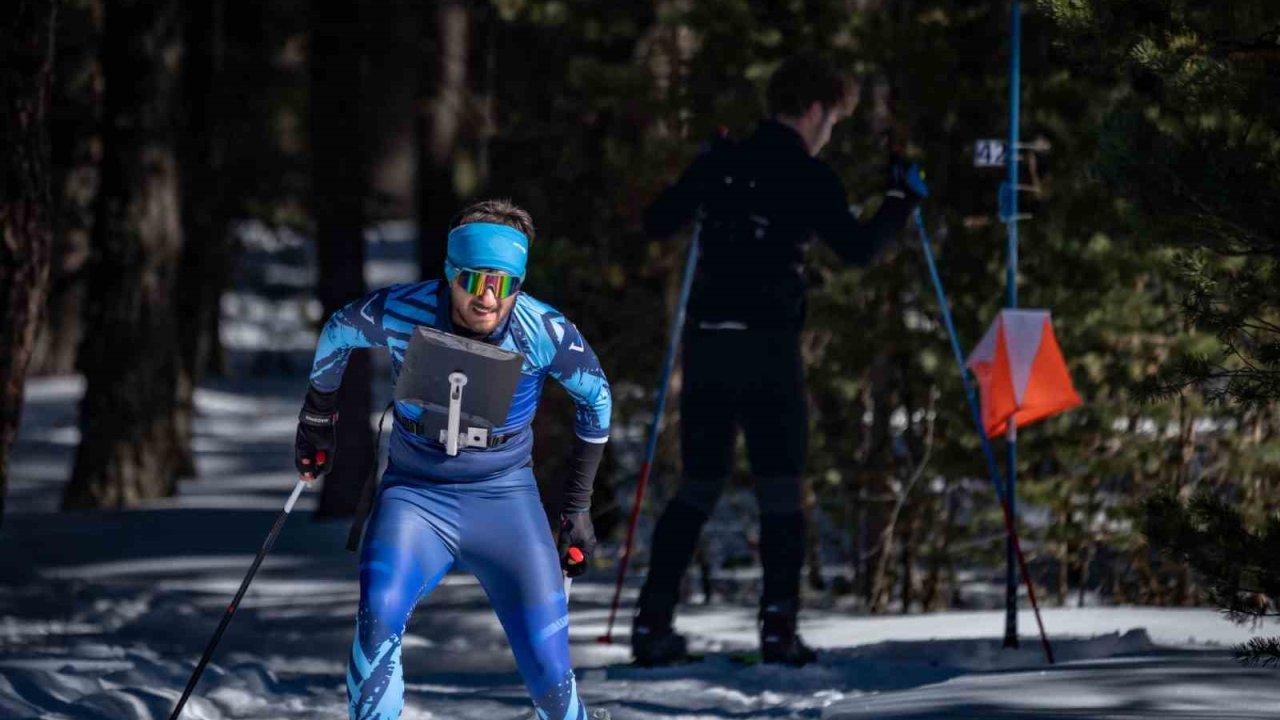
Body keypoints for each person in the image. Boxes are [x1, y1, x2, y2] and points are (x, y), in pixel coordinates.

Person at [632, 53, 928, 667]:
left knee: (699, 484)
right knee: (782, 489)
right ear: (816, 110)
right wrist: (900, 199)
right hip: (768, 350)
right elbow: (856, 248)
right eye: (834, 122)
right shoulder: (807, 174)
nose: (831, 134)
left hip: (710, 343)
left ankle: (652, 623)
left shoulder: (725, 161)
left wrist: (703, 171)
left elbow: (657, 221)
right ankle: (777, 629)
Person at [294, 200, 612, 719]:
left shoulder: (542, 331)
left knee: (550, 674)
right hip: (415, 495)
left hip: (505, 498)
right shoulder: (405, 310)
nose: (489, 298)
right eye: (475, 280)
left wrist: (577, 506)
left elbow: (597, 398)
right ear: (450, 273)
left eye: (505, 284)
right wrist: (316, 417)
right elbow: (338, 330)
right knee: (377, 618)